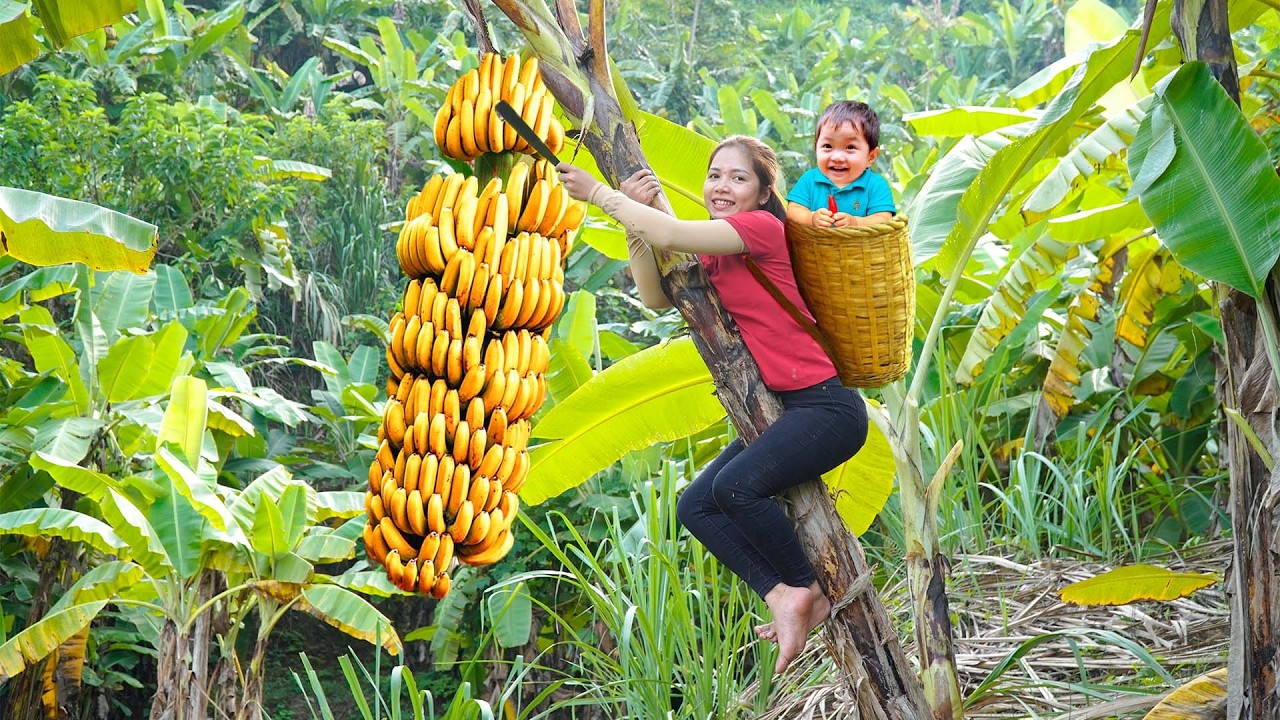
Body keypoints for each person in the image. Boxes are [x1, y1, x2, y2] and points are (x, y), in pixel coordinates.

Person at [557, 136, 869, 675]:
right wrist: (635, 221)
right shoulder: (715, 249)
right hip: (790, 411)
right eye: (715, 175)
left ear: (763, 192)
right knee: (695, 506)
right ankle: (782, 594)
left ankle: (806, 589)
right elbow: (657, 295)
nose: (722, 186)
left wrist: (604, 196)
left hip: (827, 408)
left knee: (735, 488)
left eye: (738, 178)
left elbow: (671, 231)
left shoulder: (761, 230)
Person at [786, 100, 895, 228]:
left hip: (860, 248)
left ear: (870, 157)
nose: (837, 157)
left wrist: (856, 222)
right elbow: (793, 210)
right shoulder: (809, 180)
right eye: (827, 146)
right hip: (814, 247)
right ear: (816, 148)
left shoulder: (876, 184)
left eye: (850, 147)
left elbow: (884, 218)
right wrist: (811, 218)